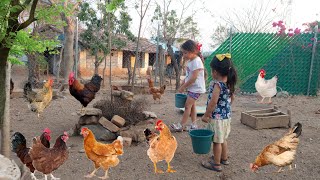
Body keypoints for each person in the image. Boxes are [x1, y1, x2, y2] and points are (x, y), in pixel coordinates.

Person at [201, 53, 237, 172]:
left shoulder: (217, 85)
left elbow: (213, 102)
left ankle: (216, 164)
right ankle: (224, 158)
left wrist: (206, 114)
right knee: (223, 139)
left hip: (217, 118)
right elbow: (232, 99)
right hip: (226, 117)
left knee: (217, 141)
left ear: (215, 72)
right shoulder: (229, 83)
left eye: (212, 70)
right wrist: (226, 107)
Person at [170, 40, 206, 131]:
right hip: (192, 88)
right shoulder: (191, 61)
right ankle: (194, 125)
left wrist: (183, 87)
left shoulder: (197, 61)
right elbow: (188, 76)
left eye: (186, 53)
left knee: (187, 106)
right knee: (192, 106)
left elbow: (193, 78)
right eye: (183, 53)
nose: (184, 55)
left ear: (193, 51)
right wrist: (182, 84)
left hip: (196, 88)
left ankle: (181, 125)